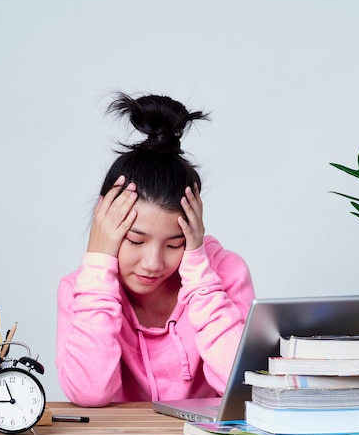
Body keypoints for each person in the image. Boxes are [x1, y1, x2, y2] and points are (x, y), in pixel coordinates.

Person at [56, 93, 255, 407]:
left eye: (174, 244)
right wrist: (97, 263)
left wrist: (199, 273)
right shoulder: (81, 290)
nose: (152, 263)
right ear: (105, 223)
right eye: (136, 241)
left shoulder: (225, 273)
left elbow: (245, 385)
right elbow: (89, 393)